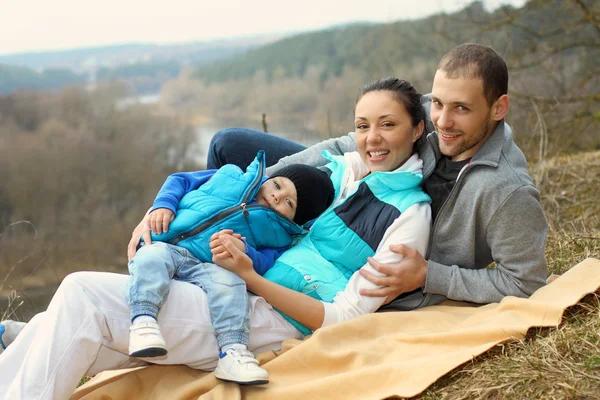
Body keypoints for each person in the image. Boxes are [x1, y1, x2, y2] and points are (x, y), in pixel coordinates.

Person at [0, 76, 432, 400]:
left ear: (416, 130)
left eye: (387, 125)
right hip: (224, 283)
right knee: (90, 314)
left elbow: (346, 317)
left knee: (84, 295)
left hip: (267, 318)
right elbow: (238, 187)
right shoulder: (340, 170)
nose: (371, 138)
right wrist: (157, 211)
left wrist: (251, 276)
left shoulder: (409, 214)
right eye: (362, 125)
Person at [205, 43, 548, 310]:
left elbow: (525, 283)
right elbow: (344, 144)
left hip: (371, 238)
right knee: (227, 145)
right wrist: (255, 183)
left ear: (498, 108)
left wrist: (431, 276)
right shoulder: (430, 116)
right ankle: (203, 220)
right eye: (439, 103)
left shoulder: (507, 190)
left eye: (462, 108)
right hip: (350, 189)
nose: (442, 121)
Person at [126, 151, 334, 384]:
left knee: (231, 286)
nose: (277, 196)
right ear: (266, 178)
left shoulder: (281, 236)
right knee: (151, 259)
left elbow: (266, 262)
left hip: (208, 265)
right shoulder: (229, 175)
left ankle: (232, 351)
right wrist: (163, 205)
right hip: (164, 243)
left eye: (289, 202)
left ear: (295, 219)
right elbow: (181, 180)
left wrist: (243, 251)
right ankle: (143, 322)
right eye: (277, 185)